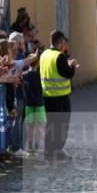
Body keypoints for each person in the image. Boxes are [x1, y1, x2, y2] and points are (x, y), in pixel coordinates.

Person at [39, 29, 79, 162]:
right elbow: (68, 74)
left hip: (46, 96)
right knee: (61, 125)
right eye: (64, 43)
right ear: (60, 43)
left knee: (50, 125)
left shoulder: (44, 54)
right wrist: (72, 65)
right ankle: (57, 150)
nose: (65, 46)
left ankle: (48, 151)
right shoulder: (59, 56)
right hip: (60, 97)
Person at [22, 51, 45, 155]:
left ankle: (30, 148)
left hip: (28, 104)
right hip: (39, 104)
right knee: (38, 127)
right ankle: (36, 147)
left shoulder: (24, 75)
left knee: (30, 127)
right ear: (38, 63)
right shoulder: (40, 75)